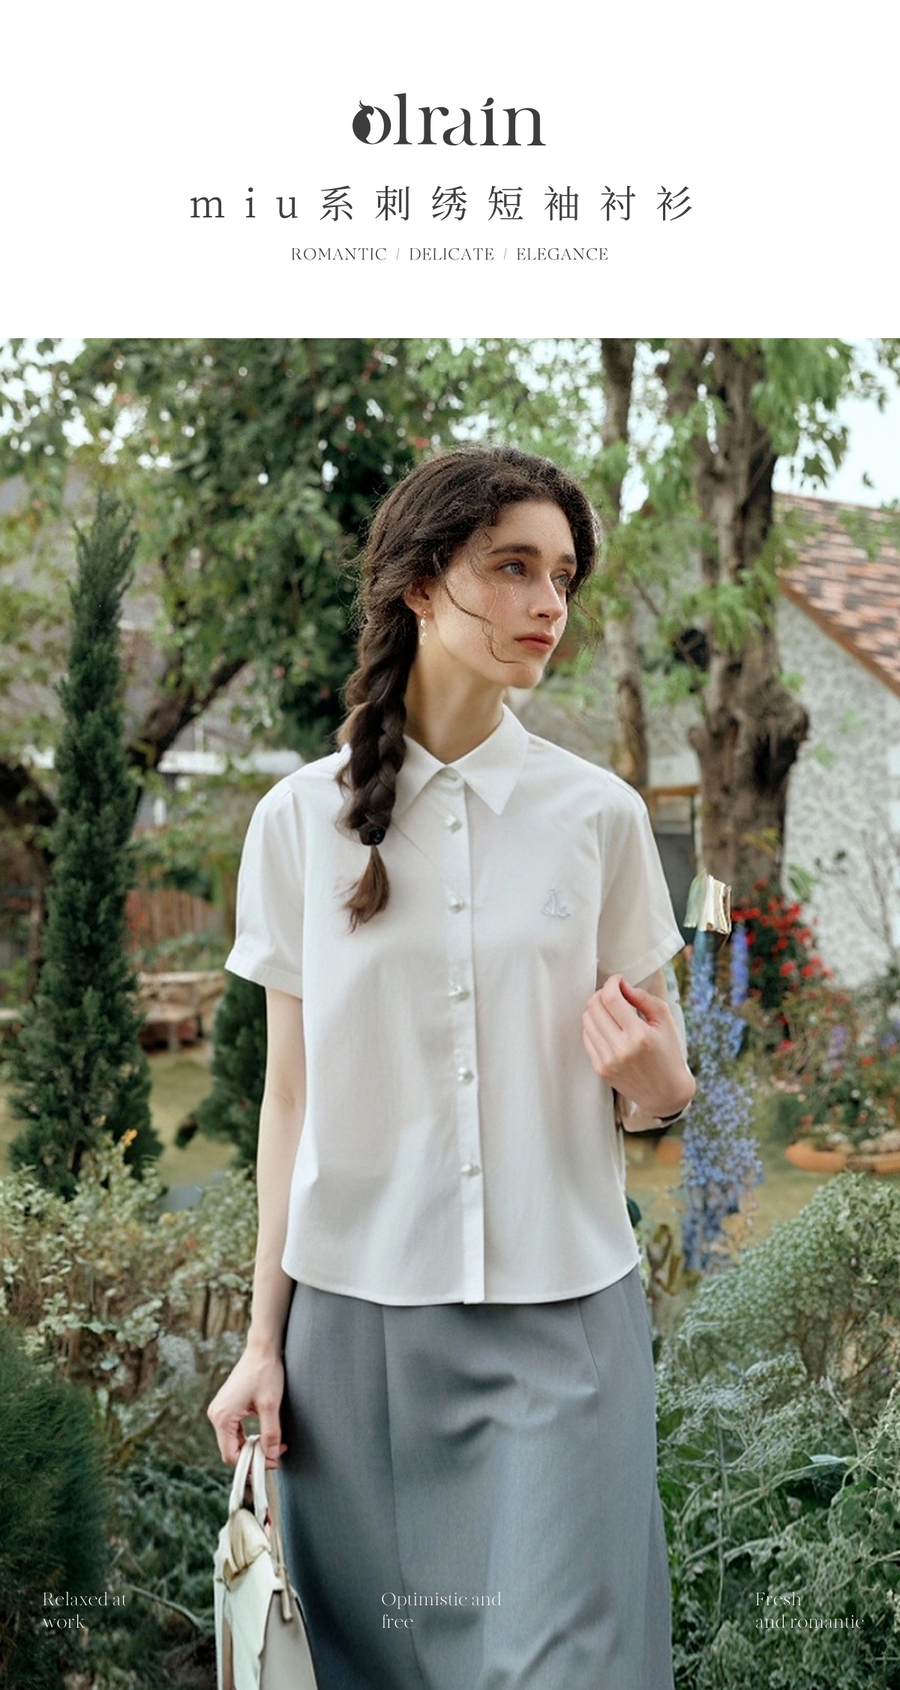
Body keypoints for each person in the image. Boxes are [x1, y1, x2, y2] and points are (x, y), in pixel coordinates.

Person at [207, 445, 695, 1690]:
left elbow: (664, 1092)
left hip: (561, 1319)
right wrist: (263, 1341)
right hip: (354, 1342)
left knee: (568, 1667)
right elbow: (290, 1101)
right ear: (422, 584)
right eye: (514, 568)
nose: (548, 604)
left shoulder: (601, 817)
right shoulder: (297, 822)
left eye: (563, 577)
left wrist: (653, 1073)